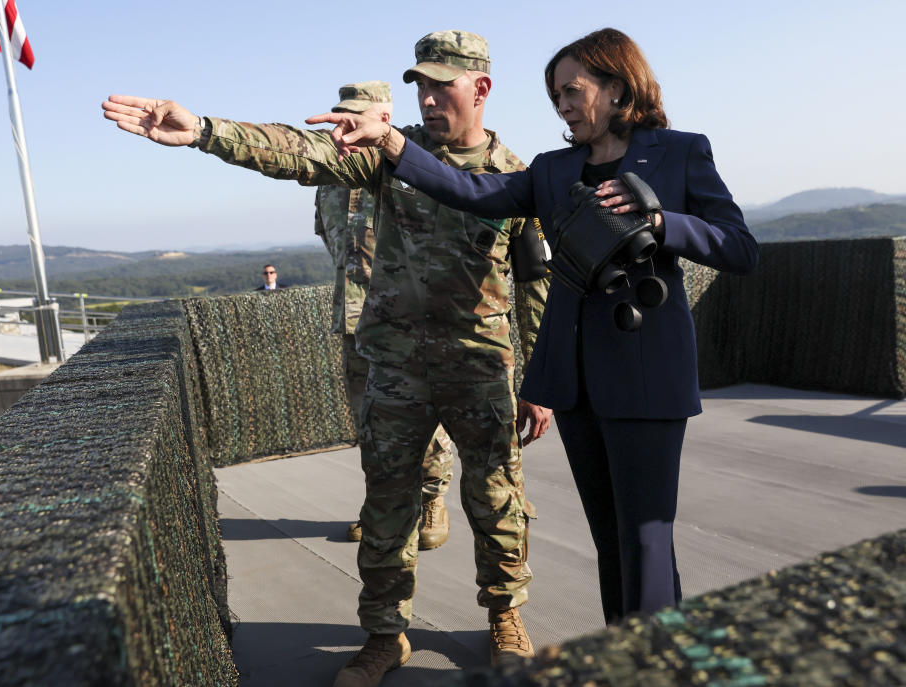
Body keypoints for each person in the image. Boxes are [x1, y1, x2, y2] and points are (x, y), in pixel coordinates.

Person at [103, 29, 552, 687]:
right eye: (420, 86)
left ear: (480, 87)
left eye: (442, 85)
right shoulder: (390, 156)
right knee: (388, 502)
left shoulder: (517, 177)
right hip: (397, 367)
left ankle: (505, 617)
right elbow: (301, 152)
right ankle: (383, 634)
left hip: (481, 369)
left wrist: (540, 378)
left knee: (497, 499)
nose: (427, 99)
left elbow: (535, 283)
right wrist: (202, 129)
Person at [314, 27, 759, 627]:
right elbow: (470, 189)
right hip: (576, 384)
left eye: (573, 91)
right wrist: (393, 142)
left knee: (647, 538)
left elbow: (739, 246)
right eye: (555, 96)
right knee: (610, 540)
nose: (564, 105)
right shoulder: (553, 170)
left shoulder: (680, 152)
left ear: (618, 84)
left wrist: (662, 221)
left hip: (647, 376)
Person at [313, 81, 455, 549]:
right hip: (353, 320)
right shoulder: (330, 178)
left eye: (358, 115)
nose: (347, 125)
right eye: (342, 115)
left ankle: (432, 498)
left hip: (406, 321)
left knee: (423, 421)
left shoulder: (407, 167)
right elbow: (329, 238)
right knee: (370, 423)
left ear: (384, 119)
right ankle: (384, 505)